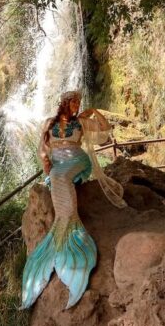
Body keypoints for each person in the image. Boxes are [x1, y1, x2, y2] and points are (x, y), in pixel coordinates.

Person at [21, 90, 126, 310]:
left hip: (78, 162)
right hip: (58, 167)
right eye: (73, 102)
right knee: (57, 176)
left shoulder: (81, 122)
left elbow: (105, 132)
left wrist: (95, 112)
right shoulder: (49, 123)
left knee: (59, 177)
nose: (77, 106)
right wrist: (46, 167)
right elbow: (43, 150)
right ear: (65, 103)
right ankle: (65, 231)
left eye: (79, 102)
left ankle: (69, 228)